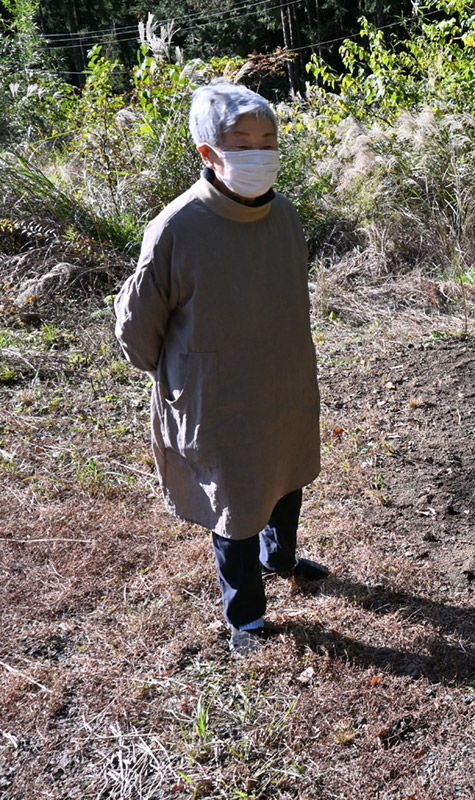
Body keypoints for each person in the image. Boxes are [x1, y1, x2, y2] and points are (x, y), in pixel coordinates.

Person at [113, 84, 325, 656]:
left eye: (268, 141)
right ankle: (247, 619)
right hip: (217, 393)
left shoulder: (284, 216)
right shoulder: (177, 227)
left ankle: (280, 557)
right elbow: (137, 327)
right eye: (242, 142)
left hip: (280, 378)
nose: (258, 153)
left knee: (286, 472)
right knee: (234, 501)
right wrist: (182, 372)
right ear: (209, 153)